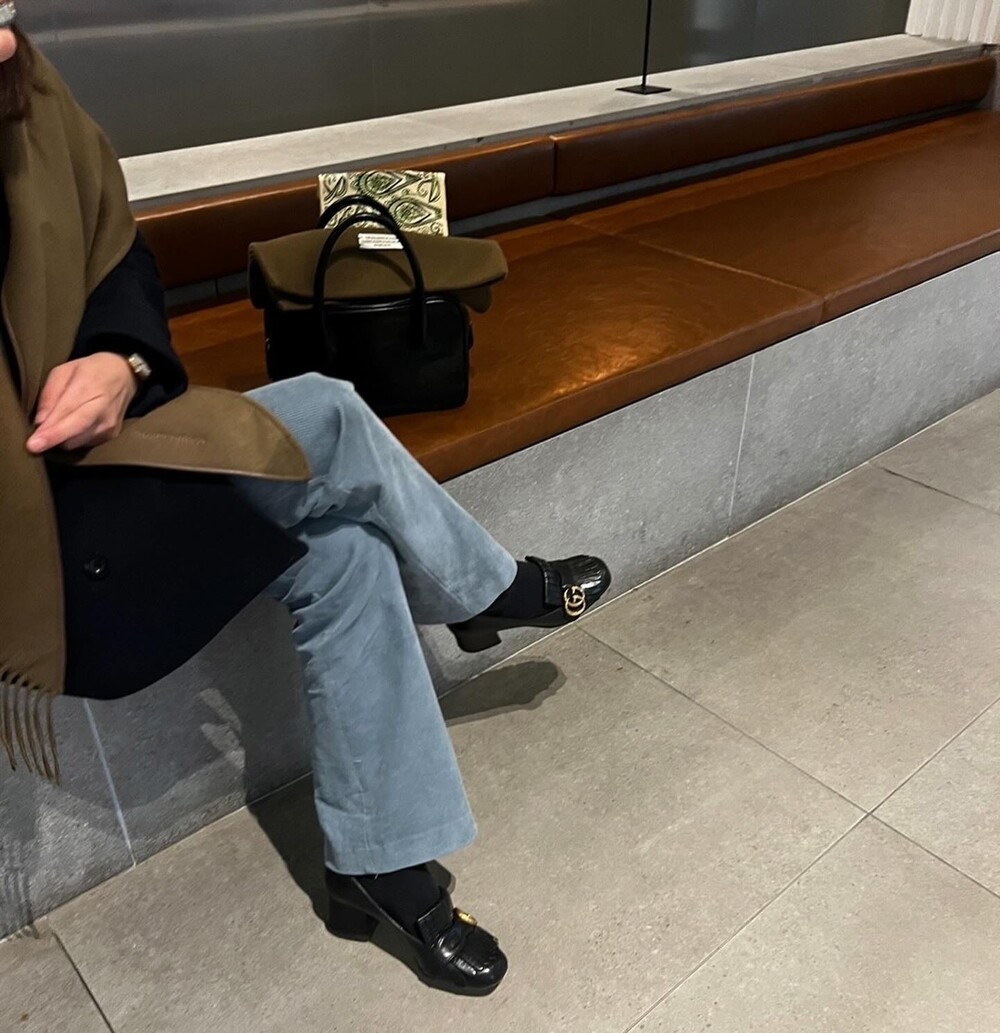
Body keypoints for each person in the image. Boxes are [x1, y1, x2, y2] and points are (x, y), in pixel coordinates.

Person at [0, 14, 610, 997]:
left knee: (349, 554)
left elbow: (119, 254)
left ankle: (378, 865)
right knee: (324, 410)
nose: (4, 44)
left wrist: (119, 357)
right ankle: (492, 590)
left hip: (110, 456)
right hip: (37, 555)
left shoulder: (25, 96)